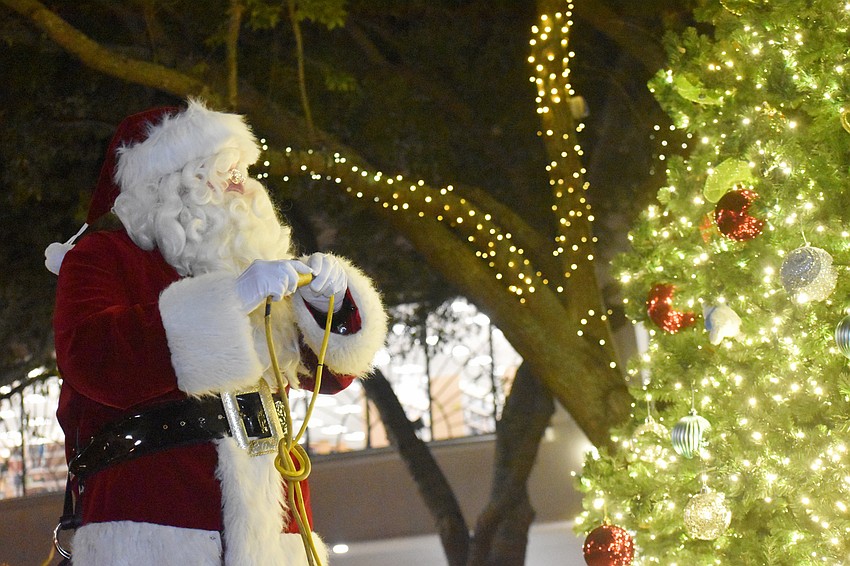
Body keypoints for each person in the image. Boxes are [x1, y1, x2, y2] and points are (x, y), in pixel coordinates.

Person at [46, 99, 387, 565]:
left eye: (242, 169)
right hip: (156, 526)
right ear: (166, 187)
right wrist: (231, 300)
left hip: (275, 530)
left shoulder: (252, 264)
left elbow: (329, 375)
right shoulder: (103, 259)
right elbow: (94, 359)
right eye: (222, 169)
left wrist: (329, 309)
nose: (241, 182)